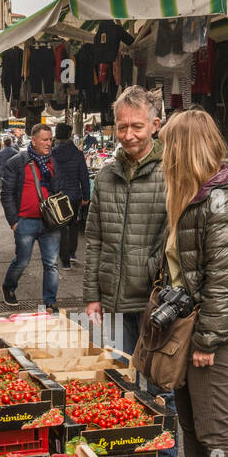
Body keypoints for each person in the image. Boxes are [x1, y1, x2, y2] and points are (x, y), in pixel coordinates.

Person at [157, 108, 228, 457]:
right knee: (191, 421)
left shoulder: (222, 203)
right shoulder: (191, 197)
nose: (164, 156)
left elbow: (226, 280)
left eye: (168, 148)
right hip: (191, 327)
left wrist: (207, 341)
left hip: (212, 333)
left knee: (214, 428)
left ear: (183, 151)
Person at [83, 86, 168, 357]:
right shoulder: (106, 177)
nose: (128, 135)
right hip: (114, 301)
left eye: (137, 126)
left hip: (155, 302)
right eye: (122, 127)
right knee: (120, 374)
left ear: (155, 126)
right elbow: (94, 241)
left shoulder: (171, 174)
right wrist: (92, 296)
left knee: (158, 386)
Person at [0, 123, 61, 309]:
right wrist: (13, 222)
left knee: (51, 264)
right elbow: (7, 194)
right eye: (45, 140)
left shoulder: (54, 162)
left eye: (50, 139)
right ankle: (8, 287)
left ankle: (50, 302)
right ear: (33, 141)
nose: (49, 143)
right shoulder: (18, 162)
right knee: (22, 261)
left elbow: (61, 187)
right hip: (25, 222)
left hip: (50, 223)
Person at [51, 124, 90, 268]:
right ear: (69, 135)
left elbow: (49, 175)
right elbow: (84, 176)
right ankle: (72, 253)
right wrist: (86, 195)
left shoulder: (52, 153)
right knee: (73, 225)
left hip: (59, 195)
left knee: (61, 227)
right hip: (74, 195)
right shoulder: (77, 154)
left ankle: (65, 261)